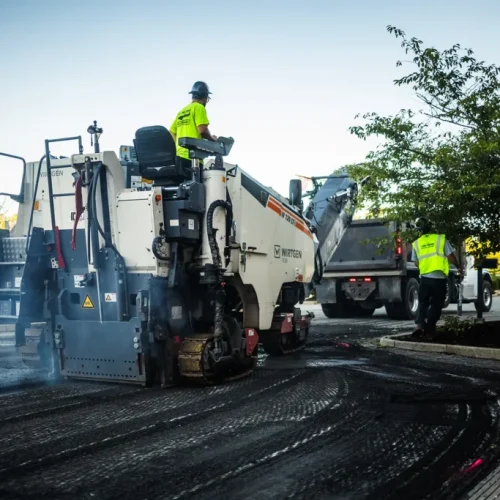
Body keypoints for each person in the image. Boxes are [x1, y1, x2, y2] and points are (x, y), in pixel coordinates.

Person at [411, 216, 464, 335]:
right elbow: (451, 256)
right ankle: (430, 328)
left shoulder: (416, 243)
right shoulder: (441, 239)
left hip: (424, 278)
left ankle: (419, 326)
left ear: (418, 230)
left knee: (422, 302)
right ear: (430, 228)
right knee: (436, 304)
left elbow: (416, 262)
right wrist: (458, 267)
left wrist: (425, 266)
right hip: (439, 278)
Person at [169, 81, 218, 170]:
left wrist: (177, 146)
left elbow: (171, 131)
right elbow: (202, 130)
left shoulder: (182, 111)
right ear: (205, 97)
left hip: (179, 158)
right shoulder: (199, 107)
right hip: (193, 158)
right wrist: (213, 139)